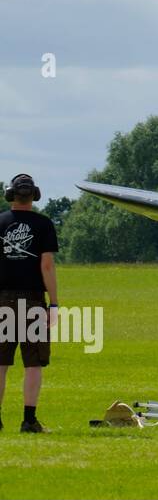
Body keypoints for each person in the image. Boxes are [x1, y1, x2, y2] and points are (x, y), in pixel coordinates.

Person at [0, 173, 59, 433]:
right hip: (33, 300)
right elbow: (46, 265)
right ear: (34, 196)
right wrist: (54, 303)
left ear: (11, 195)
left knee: (0, 363)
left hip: (1, 300)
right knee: (33, 363)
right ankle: (29, 420)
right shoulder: (44, 224)